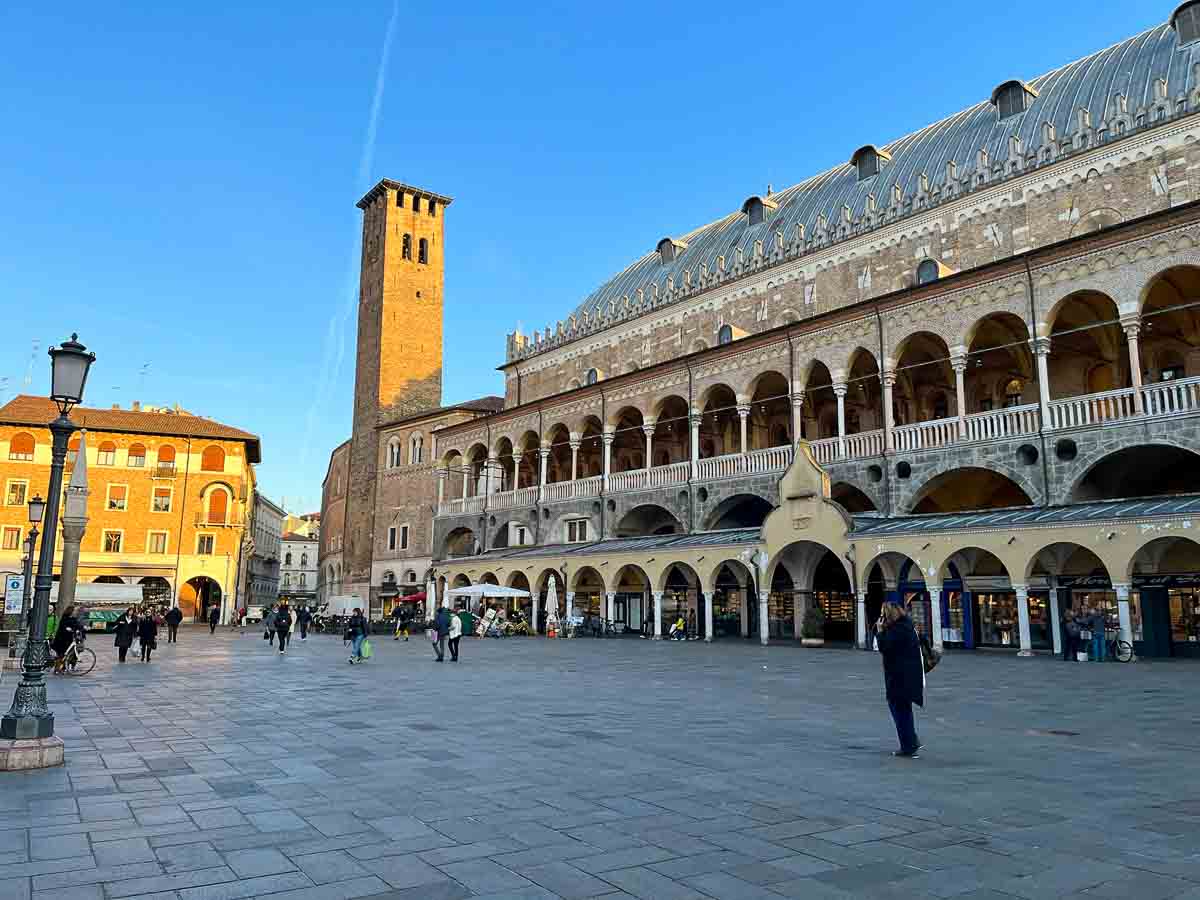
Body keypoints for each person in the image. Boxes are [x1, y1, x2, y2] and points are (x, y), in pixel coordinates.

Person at [875, 602, 925, 758]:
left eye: (883, 615)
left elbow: (884, 647)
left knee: (899, 710)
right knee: (903, 710)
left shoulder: (896, 631)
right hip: (908, 675)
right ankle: (911, 741)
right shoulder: (906, 626)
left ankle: (908, 745)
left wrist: (879, 631)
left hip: (899, 677)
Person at [51, 604, 81, 674]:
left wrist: (81, 628)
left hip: (69, 639)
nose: (75, 612)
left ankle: (64, 668)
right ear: (71, 611)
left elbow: (77, 625)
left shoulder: (74, 619)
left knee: (67, 654)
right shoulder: (65, 618)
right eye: (74, 611)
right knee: (61, 654)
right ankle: (57, 669)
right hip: (61, 639)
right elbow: (63, 627)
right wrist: (67, 629)